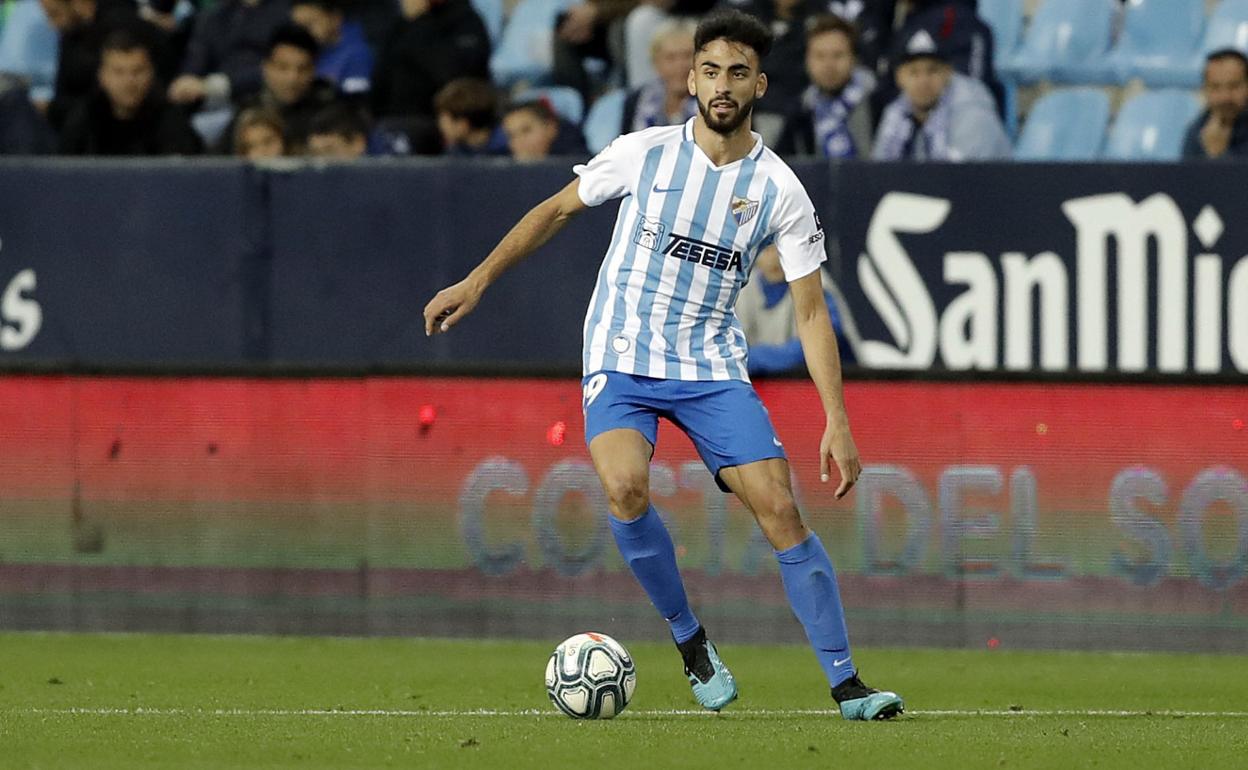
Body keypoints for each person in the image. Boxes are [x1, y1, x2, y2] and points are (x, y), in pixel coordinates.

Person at [424, 9, 903, 721]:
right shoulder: (643, 152)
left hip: (711, 363)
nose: (721, 84)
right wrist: (477, 279)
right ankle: (691, 643)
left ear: (759, 85)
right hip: (622, 352)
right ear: (690, 78)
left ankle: (847, 685)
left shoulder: (781, 191)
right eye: (710, 70)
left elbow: (810, 312)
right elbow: (555, 212)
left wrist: (837, 418)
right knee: (623, 488)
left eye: (737, 72)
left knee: (780, 509)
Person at [872, 28, 1009, 161]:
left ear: (948, 73)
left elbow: (965, 180)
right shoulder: (896, 113)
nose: (923, 81)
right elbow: (880, 171)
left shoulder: (973, 114)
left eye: (932, 71)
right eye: (913, 72)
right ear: (899, 77)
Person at [59, 27, 202, 154]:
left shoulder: (171, 120)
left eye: (137, 71)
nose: (129, 82)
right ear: (102, 76)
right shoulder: (84, 119)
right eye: (118, 72)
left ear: (151, 74)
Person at [735, 246, 856, 374]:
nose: (774, 259)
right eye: (767, 250)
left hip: (842, 379)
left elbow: (821, 344)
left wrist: (756, 357)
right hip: (774, 384)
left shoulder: (813, 278)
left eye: (779, 249)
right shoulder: (745, 288)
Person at [221, 23, 336, 153]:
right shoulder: (248, 111)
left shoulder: (329, 113)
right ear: (266, 68)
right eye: (283, 67)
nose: (292, 78)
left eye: (302, 69)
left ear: (314, 70)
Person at [370, 0, 490, 120]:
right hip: (392, 120)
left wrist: (419, 21)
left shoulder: (466, 20)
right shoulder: (403, 22)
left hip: (439, 122)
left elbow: (453, 75)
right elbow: (382, 73)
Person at [775, 13, 874, 158]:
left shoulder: (876, 102)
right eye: (820, 56)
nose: (829, 65)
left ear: (854, 58)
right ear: (807, 61)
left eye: (838, 55)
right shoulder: (800, 110)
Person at [168, 0, 291, 109]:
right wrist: (187, 79)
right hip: (209, 96)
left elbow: (286, 64)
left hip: (259, 96)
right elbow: (198, 53)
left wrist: (224, 84)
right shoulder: (216, 13)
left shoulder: (286, 12)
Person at [621, 17, 698, 133]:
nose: (680, 65)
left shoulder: (714, 102)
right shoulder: (636, 100)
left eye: (687, 56)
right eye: (670, 58)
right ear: (656, 63)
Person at [290, 0, 373, 97]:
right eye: (298, 27)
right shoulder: (306, 50)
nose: (302, 33)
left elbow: (356, 102)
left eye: (309, 24)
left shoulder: (358, 55)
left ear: (335, 18)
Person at [1182, 48, 1248, 161]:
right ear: (1204, 90)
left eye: (1234, 86)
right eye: (1215, 87)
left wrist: (1218, 155)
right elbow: (1186, 177)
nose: (1225, 97)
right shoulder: (1198, 131)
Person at [433, 76, 507, 156]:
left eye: (444, 120)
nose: (441, 127)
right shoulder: (454, 153)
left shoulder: (509, 145)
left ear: (463, 124)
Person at [501, 99, 587, 161]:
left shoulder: (581, 168)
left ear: (551, 128)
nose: (519, 141)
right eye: (511, 135)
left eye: (526, 131)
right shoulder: (500, 166)